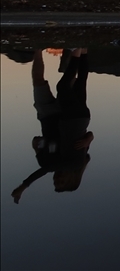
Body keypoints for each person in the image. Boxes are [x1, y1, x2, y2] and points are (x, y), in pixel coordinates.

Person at [11, 49, 94, 204]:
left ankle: (38, 49)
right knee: (70, 84)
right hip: (67, 116)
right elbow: (88, 136)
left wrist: (36, 145)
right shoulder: (75, 161)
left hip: (48, 117)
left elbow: (37, 141)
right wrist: (23, 186)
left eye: (55, 182)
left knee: (38, 80)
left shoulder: (45, 162)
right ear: (71, 180)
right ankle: (75, 50)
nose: (57, 179)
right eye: (62, 182)